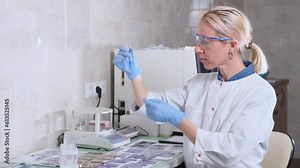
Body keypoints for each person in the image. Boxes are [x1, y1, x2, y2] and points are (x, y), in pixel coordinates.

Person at [113, 5, 276, 168]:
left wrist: (178, 119)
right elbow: (150, 103)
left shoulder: (260, 93)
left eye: (205, 42)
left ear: (232, 45)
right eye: (198, 40)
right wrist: (134, 76)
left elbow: (229, 152)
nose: (198, 49)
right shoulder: (198, 83)